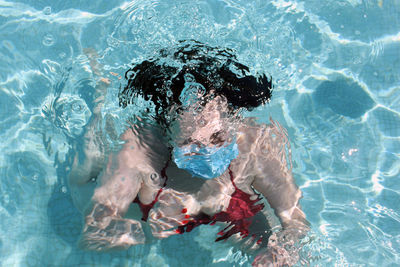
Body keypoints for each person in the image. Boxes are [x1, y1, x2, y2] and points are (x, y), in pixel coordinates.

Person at [68, 41, 309, 266]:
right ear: (167, 130)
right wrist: (147, 233)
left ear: (233, 120)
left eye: (217, 137)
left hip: (220, 203)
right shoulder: (136, 154)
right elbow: (94, 233)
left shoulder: (256, 144)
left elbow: (295, 221)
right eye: (191, 143)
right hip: (152, 213)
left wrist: (279, 251)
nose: (207, 151)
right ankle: (103, 93)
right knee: (83, 171)